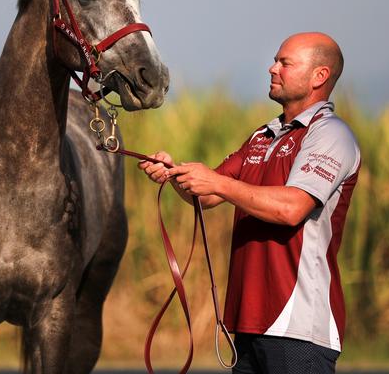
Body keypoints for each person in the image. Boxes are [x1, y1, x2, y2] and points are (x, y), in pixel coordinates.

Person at [139, 32, 360, 374]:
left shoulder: (330, 133)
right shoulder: (262, 135)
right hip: (245, 322)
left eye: (286, 63)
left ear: (320, 76)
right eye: (276, 60)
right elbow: (208, 195)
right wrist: (173, 174)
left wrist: (218, 182)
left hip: (298, 327)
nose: (273, 68)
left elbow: (292, 208)